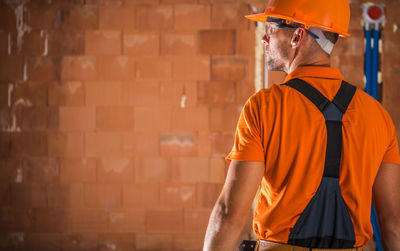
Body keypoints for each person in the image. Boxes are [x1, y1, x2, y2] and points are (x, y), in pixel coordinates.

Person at [203, 0, 400, 250]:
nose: (264, 39)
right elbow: (393, 223)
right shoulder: (378, 116)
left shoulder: (264, 107)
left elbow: (230, 214)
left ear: (297, 35)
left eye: (271, 30)